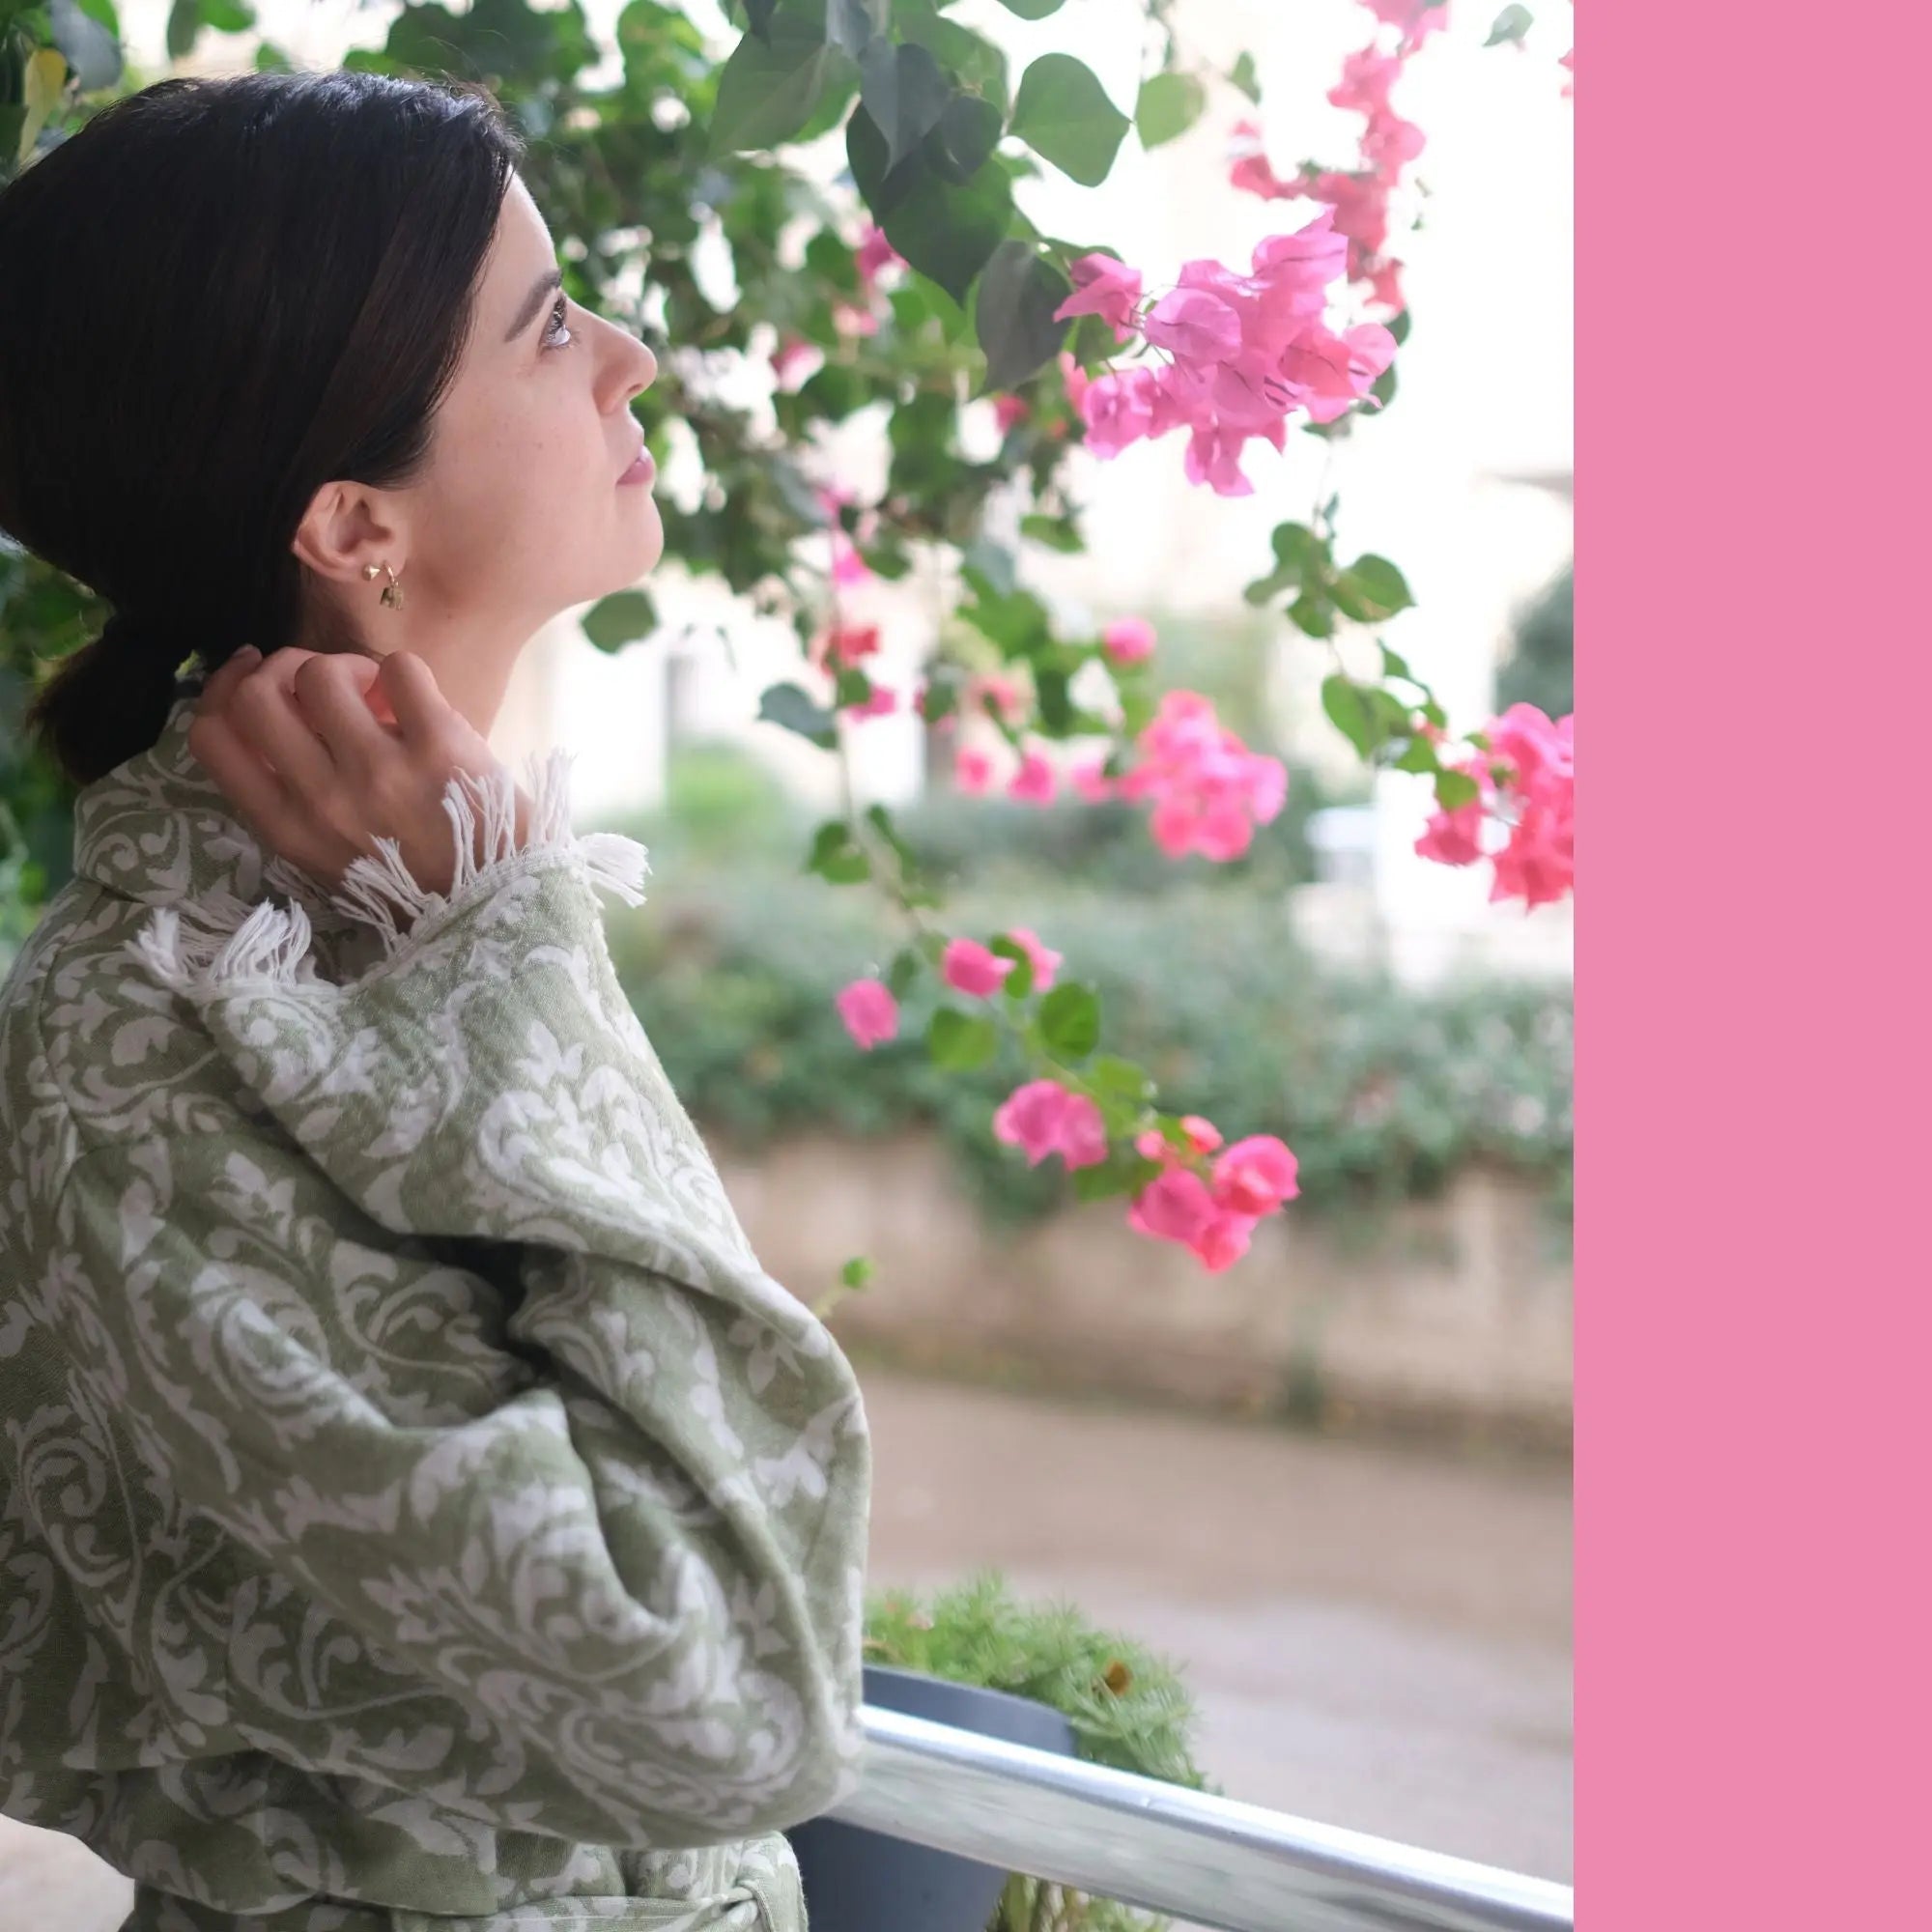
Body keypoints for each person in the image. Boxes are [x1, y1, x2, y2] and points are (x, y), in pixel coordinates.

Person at [0, 69, 871, 1932]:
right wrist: (500, 949)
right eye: (550, 326)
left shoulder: (388, 907)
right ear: (353, 526)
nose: (627, 355)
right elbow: (721, 1701)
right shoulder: (143, 1030)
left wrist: (483, 922)